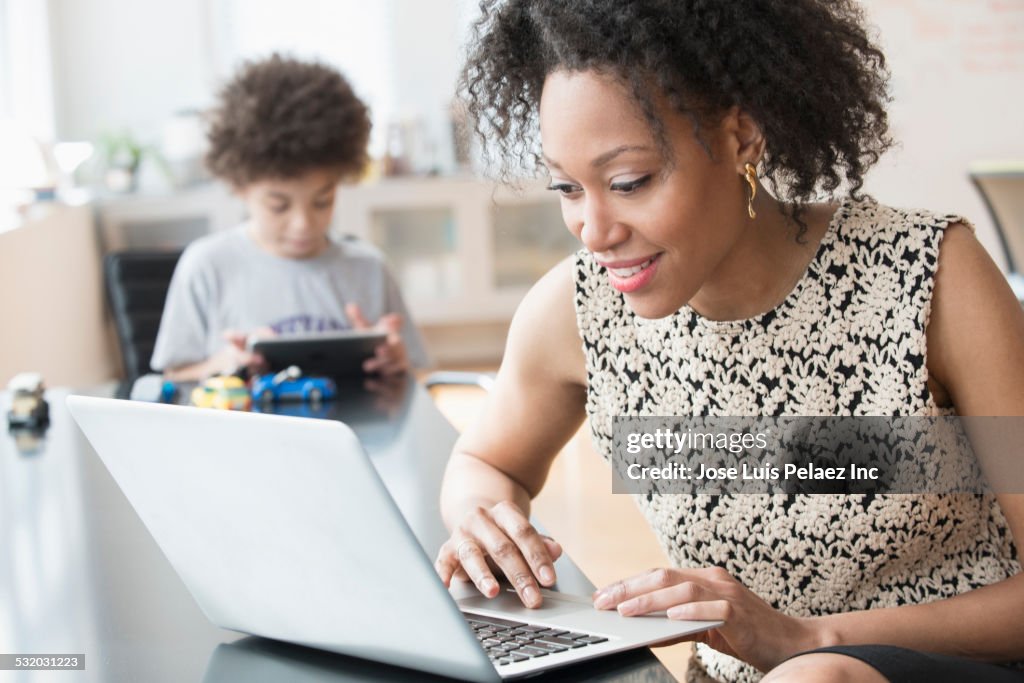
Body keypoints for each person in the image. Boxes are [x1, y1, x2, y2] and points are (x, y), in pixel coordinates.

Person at [433, 2, 1024, 681]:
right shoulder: (577, 309)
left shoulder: (932, 280)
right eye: (568, 187)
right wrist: (481, 514)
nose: (592, 229)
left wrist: (810, 638)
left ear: (743, 137)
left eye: (629, 182)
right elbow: (486, 460)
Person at [151, 54, 429, 381]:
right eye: (279, 206)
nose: (304, 223)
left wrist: (396, 364)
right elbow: (173, 378)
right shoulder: (207, 266)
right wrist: (225, 363)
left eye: (323, 201)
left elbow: (418, 374)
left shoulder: (368, 268)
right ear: (240, 186)